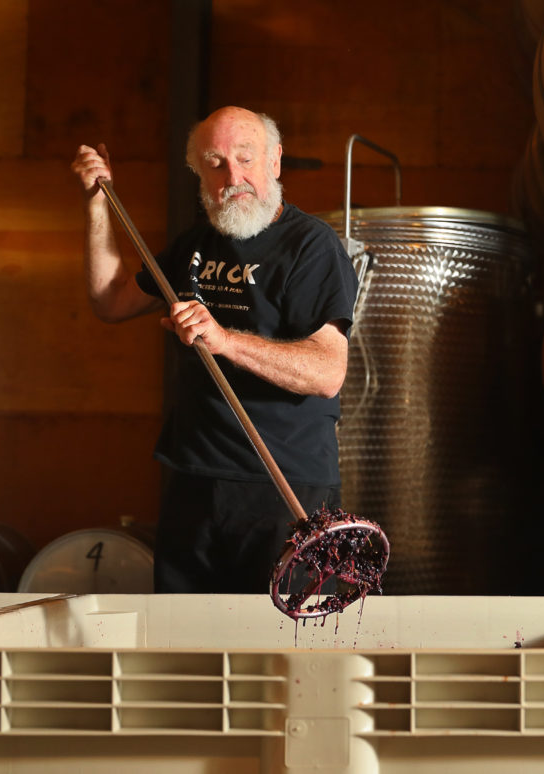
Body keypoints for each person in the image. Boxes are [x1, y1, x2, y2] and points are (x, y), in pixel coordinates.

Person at [70, 106, 358, 593]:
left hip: (283, 487)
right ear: (199, 171)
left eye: (245, 159)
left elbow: (327, 371)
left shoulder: (311, 246)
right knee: (186, 645)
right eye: (216, 162)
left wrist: (225, 340)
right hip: (195, 479)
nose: (233, 176)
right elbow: (111, 299)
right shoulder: (197, 244)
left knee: (280, 648)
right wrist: (99, 204)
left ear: (275, 161)